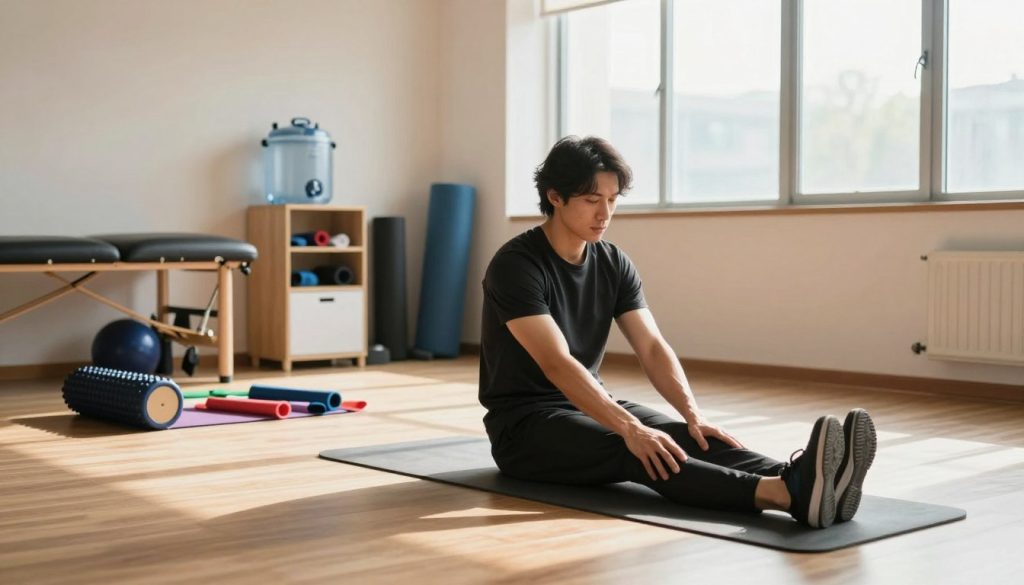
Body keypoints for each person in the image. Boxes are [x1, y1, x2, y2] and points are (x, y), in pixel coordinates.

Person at [478, 135, 877, 528]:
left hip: (588, 404)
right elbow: (557, 363)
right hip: (525, 428)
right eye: (591, 200)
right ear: (555, 197)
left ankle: (807, 478)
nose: (605, 213)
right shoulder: (516, 266)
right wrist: (631, 428)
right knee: (641, 449)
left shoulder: (613, 262)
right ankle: (783, 495)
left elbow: (651, 346)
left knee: (688, 436)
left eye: (613, 200)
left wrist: (692, 415)